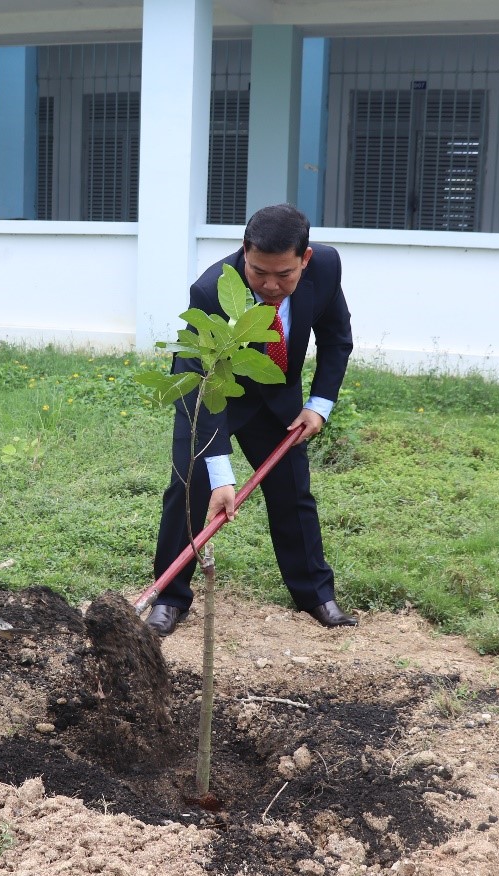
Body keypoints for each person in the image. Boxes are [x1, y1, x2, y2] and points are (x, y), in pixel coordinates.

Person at [148, 203, 358, 635]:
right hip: (214, 395)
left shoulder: (327, 267)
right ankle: (169, 598)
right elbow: (198, 378)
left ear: (305, 259)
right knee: (189, 488)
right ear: (245, 251)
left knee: (293, 493)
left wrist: (319, 404)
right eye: (259, 272)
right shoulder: (211, 290)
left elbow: (336, 338)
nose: (270, 285)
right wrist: (221, 475)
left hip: (278, 399)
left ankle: (316, 594)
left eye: (284, 275)